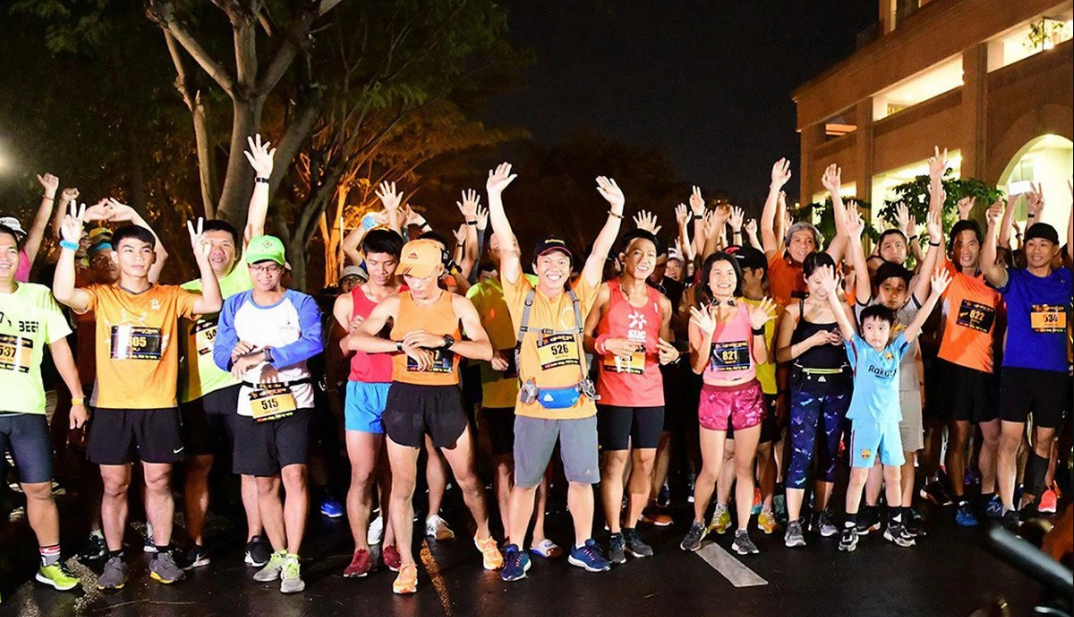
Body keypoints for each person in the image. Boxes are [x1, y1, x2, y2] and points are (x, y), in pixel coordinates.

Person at [53, 204, 221, 590]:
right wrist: (67, 242)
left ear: (151, 257)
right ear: (116, 257)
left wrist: (202, 260)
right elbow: (64, 292)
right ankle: (114, 559)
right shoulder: (102, 296)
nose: (136, 257)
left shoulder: (171, 295)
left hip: (159, 406)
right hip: (112, 407)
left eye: (144, 251)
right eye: (127, 250)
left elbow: (212, 304)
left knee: (160, 480)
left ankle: (161, 553)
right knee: (114, 484)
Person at [485, 163, 625, 581]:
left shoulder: (580, 295)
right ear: (536, 265)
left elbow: (599, 255)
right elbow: (507, 249)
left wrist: (616, 211)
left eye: (562, 261)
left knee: (582, 481)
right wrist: (495, 198)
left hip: (580, 406)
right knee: (524, 483)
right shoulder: (520, 296)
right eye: (546, 259)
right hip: (533, 408)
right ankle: (515, 548)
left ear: (569, 267)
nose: (555, 267)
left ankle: (583, 546)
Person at [349, 238, 503, 595]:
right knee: (402, 486)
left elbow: (483, 348)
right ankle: (406, 562)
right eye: (409, 275)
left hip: (445, 397)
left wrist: (443, 342)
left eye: (421, 275)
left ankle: (483, 533)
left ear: (438, 270)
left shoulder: (459, 305)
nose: (414, 283)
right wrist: (400, 346)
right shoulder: (394, 302)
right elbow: (357, 339)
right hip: (404, 396)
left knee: (467, 479)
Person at [176, 134, 272, 570]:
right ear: (199, 249)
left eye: (225, 247)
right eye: (209, 247)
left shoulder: (241, 280)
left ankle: (256, 539)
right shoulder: (183, 292)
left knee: (252, 468)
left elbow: (255, 226)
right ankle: (194, 542)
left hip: (243, 388)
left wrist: (263, 179)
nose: (218, 253)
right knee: (197, 467)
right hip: (197, 392)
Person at [213, 235, 324, 594]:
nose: (264, 274)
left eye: (271, 266)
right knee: (264, 482)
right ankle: (277, 552)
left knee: (295, 475)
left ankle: (293, 555)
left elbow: (314, 341)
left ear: (282, 269)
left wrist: (265, 355)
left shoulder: (301, 302)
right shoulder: (234, 305)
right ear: (248, 270)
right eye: (258, 267)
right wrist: (233, 352)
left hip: (294, 397)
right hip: (252, 400)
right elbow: (220, 351)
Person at [584, 229, 680, 563]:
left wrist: (673, 354)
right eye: (637, 253)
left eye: (651, 256)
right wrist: (604, 344)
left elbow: (666, 344)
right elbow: (584, 335)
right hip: (613, 392)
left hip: (651, 392)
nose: (644, 260)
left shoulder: (661, 302)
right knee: (615, 461)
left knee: (646, 461)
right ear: (624, 258)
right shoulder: (605, 294)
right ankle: (611, 532)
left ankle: (629, 527)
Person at [0, 223, 87, 591]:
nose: (3, 258)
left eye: (9, 250)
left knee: (40, 489)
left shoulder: (39, 295)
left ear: (19, 256)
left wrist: (78, 398)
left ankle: (49, 563)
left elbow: (60, 348)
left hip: (27, 410)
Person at [848, 210, 944, 537]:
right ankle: (871, 510)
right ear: (876, 290)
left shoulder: (908, 311)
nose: (892, 293)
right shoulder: (868, 313)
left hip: (906, 394)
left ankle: (900, 515)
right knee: (875, 458)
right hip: (874, 399)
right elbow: (861, 276)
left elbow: (926, 274)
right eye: (886, 286)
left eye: (898, 288)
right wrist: (853, 235)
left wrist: (932, 240)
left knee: (905, 456)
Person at [467, 232, 562, 560]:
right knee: (506, 466)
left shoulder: (537, 283)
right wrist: (491, 353)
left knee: (540, 469)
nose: (506, 249)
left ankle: (538, 533)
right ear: (491, 254)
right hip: (499, 395)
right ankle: (511, 536)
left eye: (512, 244)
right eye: (498, 246)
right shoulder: (479, 292)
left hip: (540, 392)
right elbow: (468, 342)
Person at [980, 196, 1073, 527]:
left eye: (1043, 244)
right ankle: (1008, 507)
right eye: (1031, 244)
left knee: (1044, 441)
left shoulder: (1064, 281)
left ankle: (1031, 497)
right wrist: (992, 225)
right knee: (1010, 439)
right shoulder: (1015, 279)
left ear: (1053, 249)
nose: (1035, 250)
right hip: (1017, 372)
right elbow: (989, 267)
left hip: (1053, 375)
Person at [678, 253, 776, 555]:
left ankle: (743, 530)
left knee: (745, 467)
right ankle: (698, 522)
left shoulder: (751, 312)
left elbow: (761, 358)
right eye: (717, 273)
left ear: (738, 279)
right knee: (711, 468)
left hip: (747, 394)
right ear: (707, 279)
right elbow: (697, 366)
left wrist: (758, 330)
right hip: (714, 396)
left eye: (730, 273)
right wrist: (708, 333)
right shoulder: (700, 316)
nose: (724, 279)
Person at [334, 228, 403, 577]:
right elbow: (341, 350)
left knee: (394, 475)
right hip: (362, 390)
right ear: (364, 258)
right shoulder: (348, 300)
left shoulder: (409, 295)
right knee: (361, 473)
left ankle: (390, 544)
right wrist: (355, 333)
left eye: (388, 263)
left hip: (401, 388)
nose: (381, 270)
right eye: (374, 262)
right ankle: (361, 549)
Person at [775, 251, 854, 547]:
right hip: (805, 388)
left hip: (837, 387)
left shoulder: (845, 308)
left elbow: (858, 345)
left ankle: (820, 514)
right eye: (817, 279)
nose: (823, 286)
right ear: (806, 279)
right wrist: (811, 341)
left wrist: (842, 340)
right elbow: (780, 354)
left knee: (830, 452)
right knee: (801, 453)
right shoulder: (795, 310)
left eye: (828, 278)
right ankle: (793, 522)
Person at [934, 215, 1003, 527]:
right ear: (952, 249)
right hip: (956, 370)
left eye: (972, 242)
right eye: (959, 243)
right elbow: (936, 250)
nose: (966, 248)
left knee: (993, 436)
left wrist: (996, 219)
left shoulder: (994, 283)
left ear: (981, 247)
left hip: (987, 372)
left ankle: (988, 495)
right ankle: (961, 500)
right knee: (959, 437)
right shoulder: (948, 276)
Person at [0, 172, 62, 282]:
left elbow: (39, 227)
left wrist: (50, 194)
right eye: (8, 233)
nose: (15, 237)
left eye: (17, 234)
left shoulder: (24, 257)